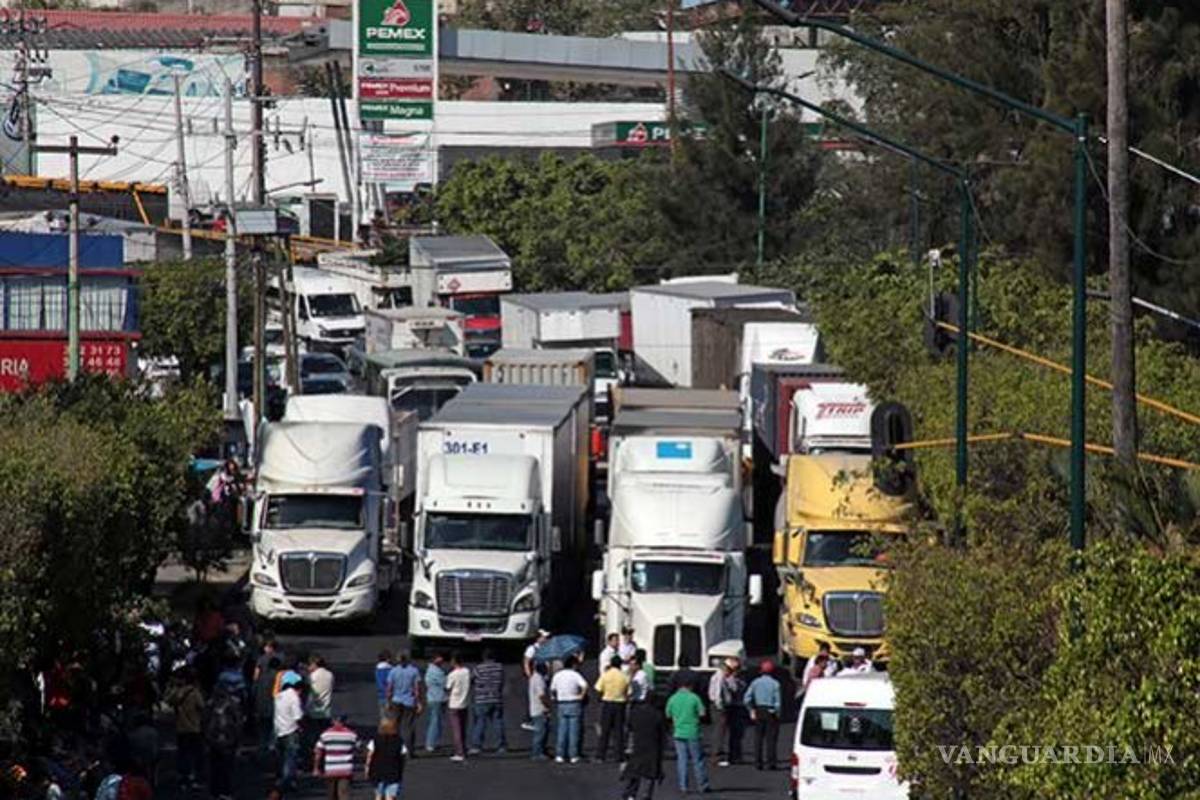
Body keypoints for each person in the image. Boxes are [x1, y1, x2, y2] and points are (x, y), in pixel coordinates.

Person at [665, 681, 711, 794]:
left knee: (682, 760)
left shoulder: (673, 698)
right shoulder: (694, 698)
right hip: (693, 732)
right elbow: (702, 713)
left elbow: (668, 714)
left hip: (678, 732)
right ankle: (702, 785)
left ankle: (683, 786)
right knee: (697, 760)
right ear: (690, 686)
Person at [204, 680, 245, 800]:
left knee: (215, 768)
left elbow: (204, 721)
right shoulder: (233, 704)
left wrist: (206, 737)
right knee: (227, 768)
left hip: (214, 740)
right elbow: (238, 723)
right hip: (228, 740)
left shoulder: (210, 704)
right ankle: (225, 791)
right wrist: (238, 739)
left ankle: (215, 792)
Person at [165, 667, 205, 789]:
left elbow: (168, 700)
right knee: (196, 754)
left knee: (183, 754)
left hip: (181, 727)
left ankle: (184, 778)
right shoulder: (195, 692)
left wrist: (171, 686)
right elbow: (202, 706)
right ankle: (195, 779)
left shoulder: (177, 692)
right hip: (194, 727)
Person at [623, 696, 666, 800]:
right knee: (650, 773)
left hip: (638, 745)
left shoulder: (635, 713)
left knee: (634, 771)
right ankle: (646, 795)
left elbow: (629, 728)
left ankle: (630, 794)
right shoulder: (657, 715)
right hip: (653, 747)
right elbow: (662, 733)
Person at [744, 660, 782, 771]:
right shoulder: (775, 684)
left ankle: (758, 763)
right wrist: (777, 713)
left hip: (759, 710)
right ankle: (771, 762)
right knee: (771, 739)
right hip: (770, 711)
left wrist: (751, 709)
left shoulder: (755, 682)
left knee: (758, 738)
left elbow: (747, 698)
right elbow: (778, 702)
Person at [708, 657, 746, 767]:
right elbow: (718, 692)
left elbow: (734, 688)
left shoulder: (729, 677)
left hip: (726, 706)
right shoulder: (719, 676)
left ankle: (734, 756)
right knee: (719, 732)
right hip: (720, 707)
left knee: (731, 731)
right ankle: (717, 757)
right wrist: (720, 706)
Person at [550, 654, 588, 764]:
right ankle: (573, 755)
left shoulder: (557, 675)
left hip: (561, 702)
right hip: (574, 702)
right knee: (574, 731)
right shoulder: (575, 675)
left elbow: (552, 689)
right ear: (573, 664)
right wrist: (581, 695)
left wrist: (554, 697)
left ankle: (560, 754)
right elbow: (585, 685)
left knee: (562, 730)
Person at [593, 655, 630, 763]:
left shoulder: (606, 675)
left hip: (607, 703)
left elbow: (598, 689)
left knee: (605, 731)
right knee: (619, 731)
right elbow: (629, 692)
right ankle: (618, 755)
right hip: (620, 704)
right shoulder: (624, 676)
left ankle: (601, 755)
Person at [469, 648, 506, 754]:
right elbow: (502, 681)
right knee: (497, 722)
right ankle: (501, 745)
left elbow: (471, 680)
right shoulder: (500, 667)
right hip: (496, 697)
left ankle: (477, 745)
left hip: (481, 698)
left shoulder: (479, 668)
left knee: (480, 722)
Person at [314, 714, 358, 800]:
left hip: (330, 768)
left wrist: (316, 767)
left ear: (333, 721)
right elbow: (356, 749)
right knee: (344, 794)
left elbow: (318, 752)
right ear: (344, 722)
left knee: (331, 795)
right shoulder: (352, 735)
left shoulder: (325, 735)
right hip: (345, 769)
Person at [385, 653, 423, 753]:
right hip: (409, 701)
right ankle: (410, 749)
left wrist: (388, 701)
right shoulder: (414, 671)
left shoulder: (393, 671)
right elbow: (417, 689)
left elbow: (389, 688)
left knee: (396, 725)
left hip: (396, 700)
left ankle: (395, 747)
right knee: (409, 726)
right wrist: (419, 702)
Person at [274, 672, 305, 790]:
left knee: (281, 756)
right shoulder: (294, 697)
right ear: (299, 689)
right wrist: (301, 727)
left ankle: (280, 777)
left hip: (279, 729)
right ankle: (287, 780)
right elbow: (298, 716)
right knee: (290, 756)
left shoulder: (279, 696)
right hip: (291, 730)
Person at [366, 716, 407, 800]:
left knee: (378, 795)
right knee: (390, 796)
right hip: (394, 772)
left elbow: (370, 755)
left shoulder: (375, 740)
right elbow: (403, 755)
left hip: (377, 772)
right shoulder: (399, 741)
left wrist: (367, 768)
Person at [254, 655, 283, 762]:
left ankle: (261, 753)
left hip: (261, 707)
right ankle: (271, 754)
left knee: (262, 732)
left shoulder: (261, 677)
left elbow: (254, 690)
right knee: (273, 732)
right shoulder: (278, 677)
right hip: (274, 708)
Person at [521, 630, 550, 732]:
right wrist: (529, 675)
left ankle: (542, 716)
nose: (546, 639)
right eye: (544, 637)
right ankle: (529, 720)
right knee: (534, 698)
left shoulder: (545, 648)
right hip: (536, 676)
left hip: (543, 675)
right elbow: (526, 661)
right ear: (538, 638)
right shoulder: (532, 648)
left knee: (541, 697)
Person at [444, 653, 471, 762]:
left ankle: (459, 752)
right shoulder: (467, 672)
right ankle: (464, 748)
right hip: (465, 702)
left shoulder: (452, 674)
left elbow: (448, 687)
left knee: (456, 730)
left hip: (454, 703)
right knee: (463, 728)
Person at [423, 653, 447, 753]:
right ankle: (431, 743)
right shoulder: (436, 671)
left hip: (433, 698)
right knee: (435, 721)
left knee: (436, 721)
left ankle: (434, 742)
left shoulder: (432, 670)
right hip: (437, 698)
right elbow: (445, 683)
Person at [527, 661, 550, 760]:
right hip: (539, 709)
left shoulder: (535, 678)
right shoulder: (538, 679)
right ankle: (537, 753)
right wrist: (548, 705)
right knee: (540, 733)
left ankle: (541, 751)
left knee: (543, 732)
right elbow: (541, 695)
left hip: (536, 708)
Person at [374, 651, 393, 721]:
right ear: (387, 659)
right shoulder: (390, 670)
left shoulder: (377, 670)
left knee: (383, 717)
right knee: (391, 717)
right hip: (390, 696)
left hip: (381, 695)